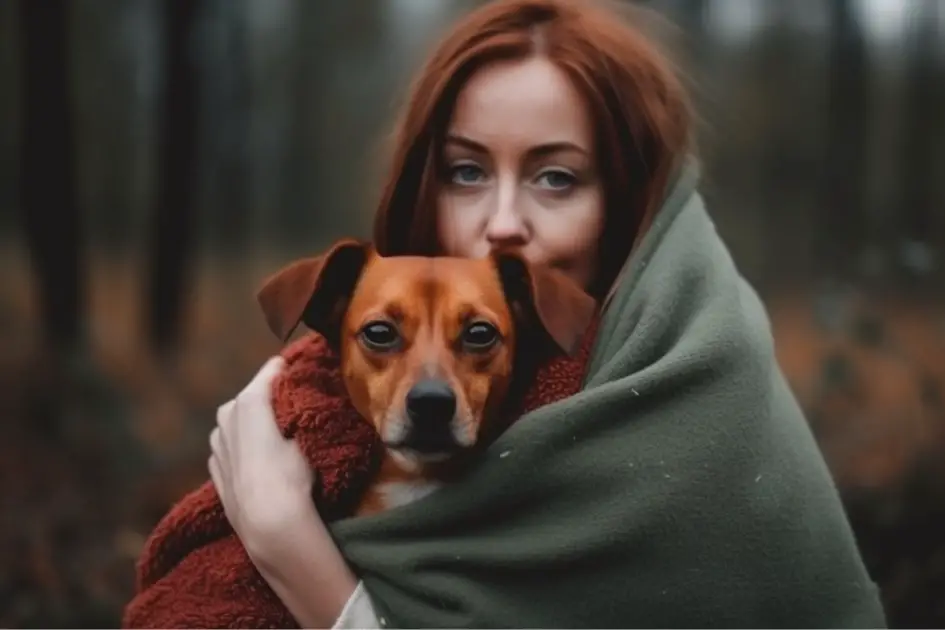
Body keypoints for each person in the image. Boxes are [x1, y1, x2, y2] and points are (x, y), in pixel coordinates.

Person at [208, 0, 887, 628]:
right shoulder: (322, 399)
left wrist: (293, 550)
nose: (502, 223)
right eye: (466, 172)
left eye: (555, 177)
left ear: (628, 201)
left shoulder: (709, 392)